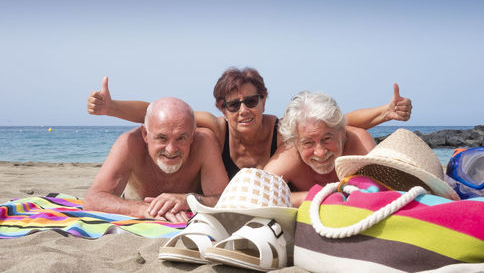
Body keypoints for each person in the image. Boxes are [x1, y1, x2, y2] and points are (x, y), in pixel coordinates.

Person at [87, 67, 412, 179]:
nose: (243, 109)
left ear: (263, 100)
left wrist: (385, 113)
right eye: (233, 103)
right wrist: (112, 107)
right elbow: (159, 112)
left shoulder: (284, 129)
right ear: (222, 107)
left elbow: (333, 124)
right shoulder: (214, 127)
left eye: (251, 101)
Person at [83, 97, 228, 223]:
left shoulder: (204, 143)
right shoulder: (129, 144)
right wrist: (144, 209)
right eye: (162, 138)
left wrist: (188, 200)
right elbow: (93, 199)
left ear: (192, 135)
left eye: (181, 138)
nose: (171, 149)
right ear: (145, 134)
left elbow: (225, 200)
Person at [263, 91, 376, 207]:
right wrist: (313, 197)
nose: (320, 153)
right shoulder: (289, 156)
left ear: (342, 133)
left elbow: (384, 189)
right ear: (295, 143)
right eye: (308, 143)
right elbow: (259, 195)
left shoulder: (360, 143)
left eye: (327, 139)